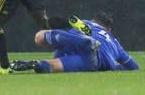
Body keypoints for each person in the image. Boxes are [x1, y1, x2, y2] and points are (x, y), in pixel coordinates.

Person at [11, 12, 139, 73]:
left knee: (39, 36)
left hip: (72, 41)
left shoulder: (86, 23)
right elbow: (134, 67)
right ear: (109, 29)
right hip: (94, 59)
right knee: (52, 66)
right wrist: (114, 67)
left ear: (93, 19)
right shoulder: (114, 42)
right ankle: (37, 64)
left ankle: (84, 40)